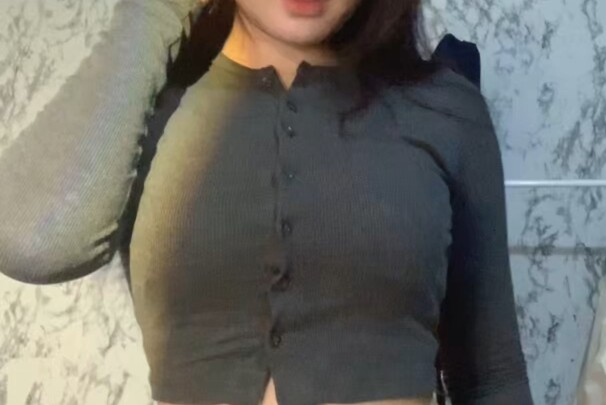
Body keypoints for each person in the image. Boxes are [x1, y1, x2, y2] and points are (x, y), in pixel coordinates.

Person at [0, 0, 532, 404]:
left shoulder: (444, 110)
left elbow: (493, 376)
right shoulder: (151, 111)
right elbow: (32, 242)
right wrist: (155, 11)